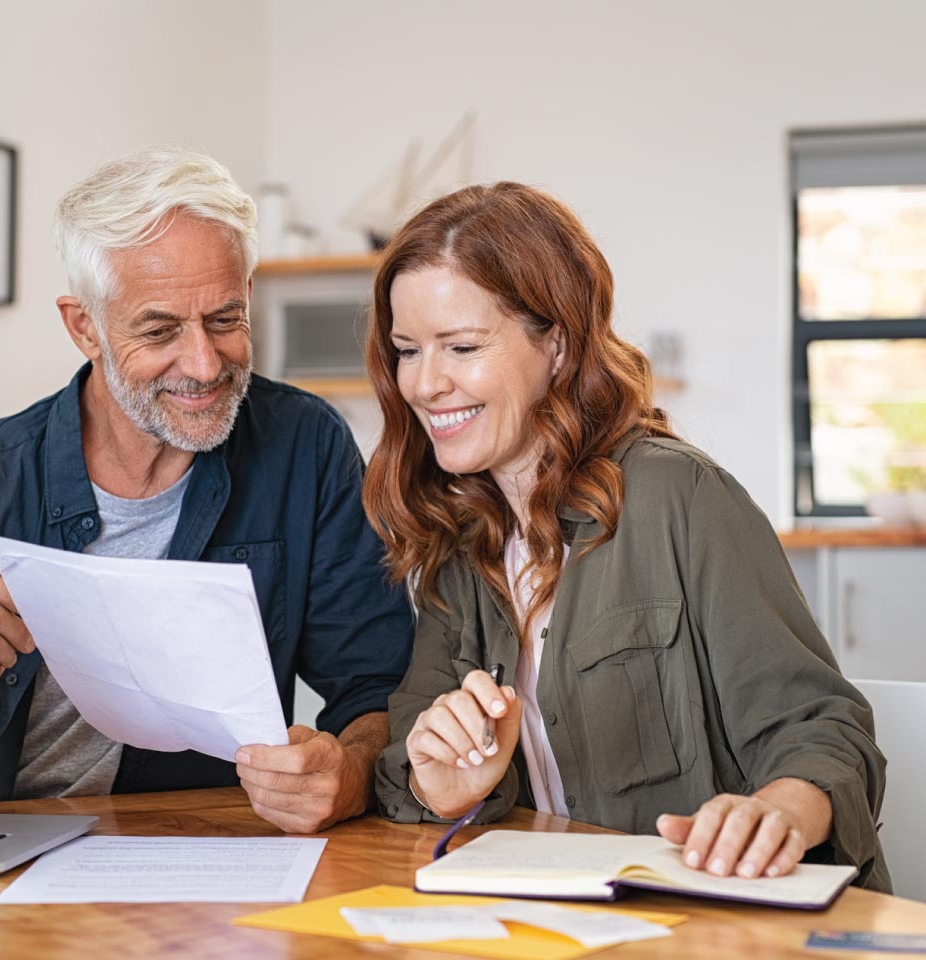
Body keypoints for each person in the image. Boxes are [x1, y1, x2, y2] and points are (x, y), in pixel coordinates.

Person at [366, 182, 888, 890]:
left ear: (556, 344)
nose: (425, 384)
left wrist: (780, 811)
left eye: (461, 346)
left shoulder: (682, 498)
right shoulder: (461, 542)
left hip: (716, 924)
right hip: (562, 922)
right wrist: (446, 783)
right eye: (407, 350)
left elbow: (825, 731)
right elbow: (405, 760)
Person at [0, 147, 413, 832]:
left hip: (200, 855)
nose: (203, 363)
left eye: (225, 319)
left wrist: (349, 772)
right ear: (83, 327)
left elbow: (378, 688)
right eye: (159, 330)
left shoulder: (304, 447)